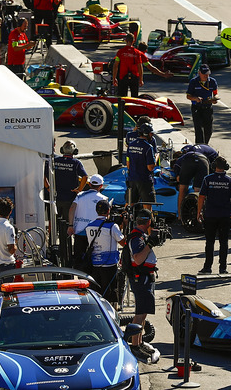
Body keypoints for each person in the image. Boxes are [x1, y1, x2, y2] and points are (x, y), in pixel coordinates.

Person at [125, 214, 160, 363]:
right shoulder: (136, 237)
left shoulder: (141, 235)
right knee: (139, 313)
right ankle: (135, 346)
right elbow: (138, 259)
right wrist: (149, 245)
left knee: (143, 313)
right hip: (140, 277)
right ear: (149, 222)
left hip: (144, 277)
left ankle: (138, 343)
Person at [46, 140, 88, 264]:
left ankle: (52, 249)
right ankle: (68, 252)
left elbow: (45, 176)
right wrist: (79, 190)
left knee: (54, 226)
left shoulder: (56, 161)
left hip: (56, 199)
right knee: (69, 226)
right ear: (75, 151)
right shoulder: (76, 163)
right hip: (70, 200)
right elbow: (85, 177)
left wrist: (49, 188)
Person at [197, 157, 231, 274]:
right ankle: (223, 268)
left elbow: (201, 197)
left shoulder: (207, 179)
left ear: (214, 166)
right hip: (225, 215)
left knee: (209, 242)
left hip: (210, 215)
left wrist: (199, 212)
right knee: (224, 242)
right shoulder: (230, 181)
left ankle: (207, 267)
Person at [86, 200, 125, 305]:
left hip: (95, 264)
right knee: (110, 294)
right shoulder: (112, 226)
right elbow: (123, 243)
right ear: (108, 210)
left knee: (97, 293)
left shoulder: (89, 226)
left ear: (96, 211)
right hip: (109, 265)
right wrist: (122, 227)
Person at [67, 174, 108, 269]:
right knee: (94, 259)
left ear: (89, 184)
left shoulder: (80, 195)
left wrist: (70, 225)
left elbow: (72, 208)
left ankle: (80, 280)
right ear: (101, 186)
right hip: (96, 233)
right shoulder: (104, 199)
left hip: (79, 231)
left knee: (79, 259)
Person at [172, 147, 209, 220]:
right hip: (203, 161)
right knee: (198, 191)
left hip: (189, 161)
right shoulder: (201, 152)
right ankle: (199, 215)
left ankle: (180, 216)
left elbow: (178, 178)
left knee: (182, 189)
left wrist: (178, 176)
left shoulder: (180, 160)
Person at [127, 123, 156, 211]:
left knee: (129, 205)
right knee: (147, 206)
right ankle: (148, 223)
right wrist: (156, 158)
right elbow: (150, 167)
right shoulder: (148, 147)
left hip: (131, 178)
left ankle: (125, 223)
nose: (152, 135)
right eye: (151, 133)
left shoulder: (131, 145)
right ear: (146, 133)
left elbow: (128, 164)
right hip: (144, 180)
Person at [186, 64, 218, 144]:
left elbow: (216, 93)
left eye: (207, 74)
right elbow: (188, 96)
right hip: (197, 108)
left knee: (208, 130)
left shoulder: (212, 81)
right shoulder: (194, 82)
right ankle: (199, 146)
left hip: (208, 107)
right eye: (204, 74)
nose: (206, 76)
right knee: (199, 130)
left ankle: (205, 144)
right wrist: (196, 99)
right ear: (199, 73)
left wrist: (215, 99)